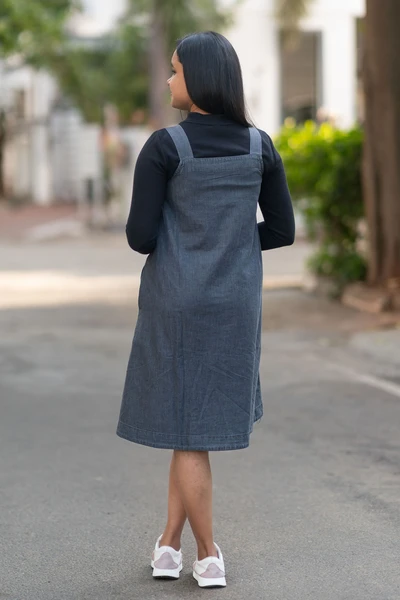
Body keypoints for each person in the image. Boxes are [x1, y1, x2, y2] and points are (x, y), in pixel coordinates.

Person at [116, 31, 295, 589]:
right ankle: (168, 547)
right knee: (188, 427)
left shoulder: (165, 147)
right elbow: (282, 230)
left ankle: (208, 553)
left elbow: (141, 237)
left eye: (175, 70)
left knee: (189, 428)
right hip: (235, 304)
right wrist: (233, 245)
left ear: (197, 79)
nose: (169, 79)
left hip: (177, 302)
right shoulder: (261, 146)